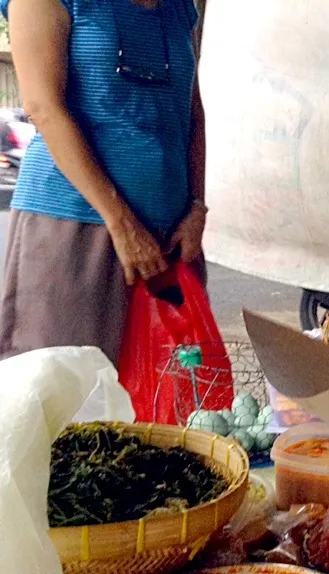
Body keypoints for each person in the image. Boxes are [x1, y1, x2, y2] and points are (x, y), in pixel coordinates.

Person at [0, 0, 207, 366]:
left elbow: (193, 110)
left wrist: (196, 208)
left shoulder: (179, 8)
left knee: (168, 399)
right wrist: (121, 222)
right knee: (66, 394)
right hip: (74, 229)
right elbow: (44, 107)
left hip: (172, 239)